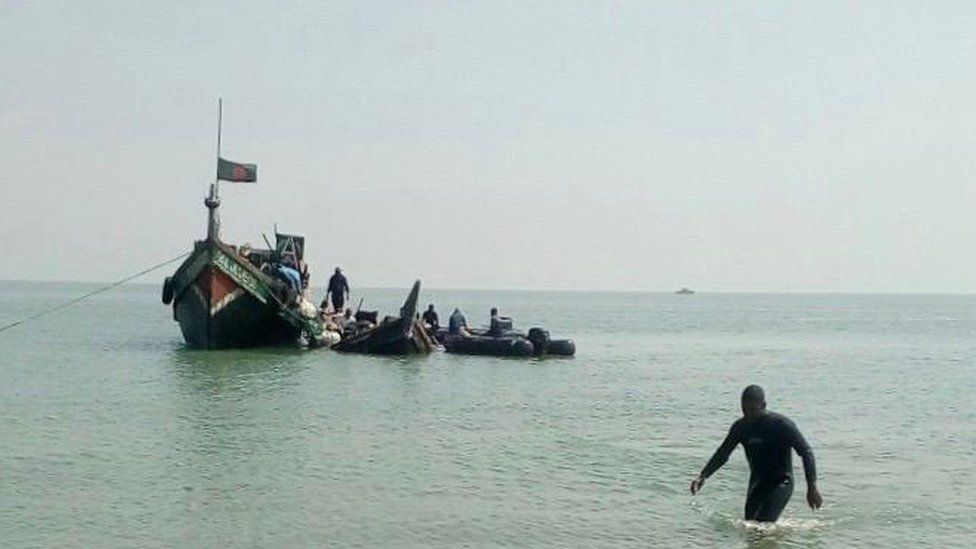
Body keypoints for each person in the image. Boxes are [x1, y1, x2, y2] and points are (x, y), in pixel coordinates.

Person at [690, 385, 822, 522]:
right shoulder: (740, 427)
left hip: (781, 481)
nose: (749, 415)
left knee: (763, 525)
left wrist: (812, 487)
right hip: (757, 482)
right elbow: (723, 454)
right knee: (750, 526)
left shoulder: (782, 425)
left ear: (763, 405)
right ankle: (779, 537)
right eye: (745, 410)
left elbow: (806, 452)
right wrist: (703, 476)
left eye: (753, 410)